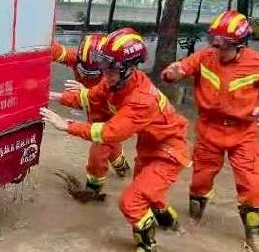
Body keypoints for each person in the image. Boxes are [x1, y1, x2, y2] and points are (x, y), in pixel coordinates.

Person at [42, 28, 190, 252]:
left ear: (129, 68)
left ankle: (148, 245)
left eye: (109, 69)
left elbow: (110, 133)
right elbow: (89, 98)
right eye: (103, 66)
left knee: (131, 202)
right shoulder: (114, 81)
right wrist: (56, 96)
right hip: (149, 147)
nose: (104, 73)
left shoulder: (141, 99)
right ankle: (174, 227)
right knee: (150, 194)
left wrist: (67, 125)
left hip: (168, 152)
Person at [160, 10, 259, 252]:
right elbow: (174, 73)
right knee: (200, 180)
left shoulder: (257, 62)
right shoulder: (204, 57)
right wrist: (171, 74)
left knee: (251, 184)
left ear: (239, 44)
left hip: (244, 132)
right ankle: (195, 221)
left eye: (224, 43)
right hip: (209, 129)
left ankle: (253, 238)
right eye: (214, 40)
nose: (218, 47)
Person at [51, 35, 131, 197]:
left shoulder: (115, 76)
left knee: (97, 155)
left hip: (110, 116)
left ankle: (93, 190)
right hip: (93, 113)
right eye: (84, 71)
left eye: (93, 74)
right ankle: (125, 171)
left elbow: (110, 103)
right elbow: (55, 51)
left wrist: (86, 93)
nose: (88, 77)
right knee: (112, 146)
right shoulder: (78, 58)